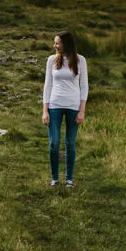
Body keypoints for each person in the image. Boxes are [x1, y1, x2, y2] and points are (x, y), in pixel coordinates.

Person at [41, 30, 88, 188]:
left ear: (66, 44)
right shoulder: (51, 60)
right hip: (54, 105)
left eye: (57, 43)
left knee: (70, 143)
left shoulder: (80, 60)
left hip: (73, 106)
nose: (54, 45)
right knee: (54, 143)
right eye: (54, 43)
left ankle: (69, 179)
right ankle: (54, 178)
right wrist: (45, 110)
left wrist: (82, 110)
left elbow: (84, 86)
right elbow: (47, 85)